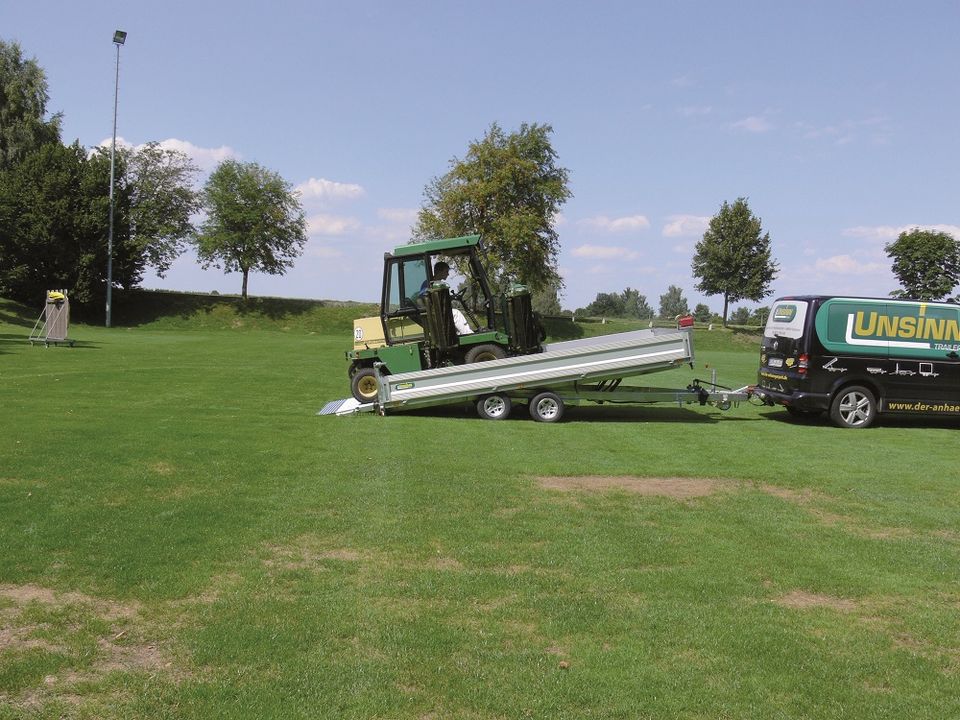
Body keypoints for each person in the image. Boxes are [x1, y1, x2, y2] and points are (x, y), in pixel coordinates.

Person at [419, 261, 472, 334]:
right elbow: (424, 297)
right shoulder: (429, 283)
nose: (448, 274)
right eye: (446, 271)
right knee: (456, 313)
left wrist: (451, 297)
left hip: (438, 312)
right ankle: (469, 334)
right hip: (434, 314)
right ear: (439, 271)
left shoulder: (439, 284)